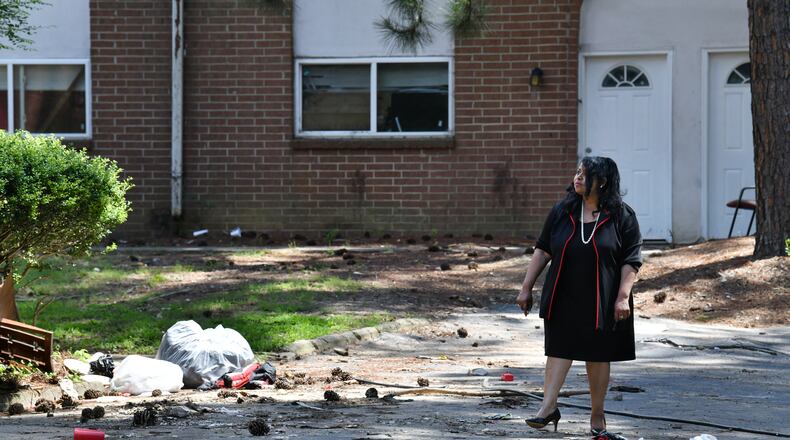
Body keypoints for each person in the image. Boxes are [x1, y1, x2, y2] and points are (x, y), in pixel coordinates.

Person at [516, 156, 642, 440]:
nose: (578, 178)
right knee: (559, 348)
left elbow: (631, 261)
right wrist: (526, 287)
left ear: (603, 181)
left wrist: (623, 297)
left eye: (585, 175)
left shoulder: (622, 216)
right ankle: (547, 408)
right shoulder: (562, 210)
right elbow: (543, 249)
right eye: (577, 173)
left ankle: (597, 414)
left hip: (603, 296)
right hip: (564, 293)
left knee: (598, 354)